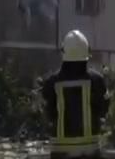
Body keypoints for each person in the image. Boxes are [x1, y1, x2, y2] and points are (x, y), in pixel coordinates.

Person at [41, 30, 108, 158]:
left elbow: (48, 112)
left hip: (61, 149)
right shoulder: (97, 80)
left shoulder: (52, 81)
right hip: (90, 148)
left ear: (64, 52)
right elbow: (104, 109)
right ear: (86, 52)